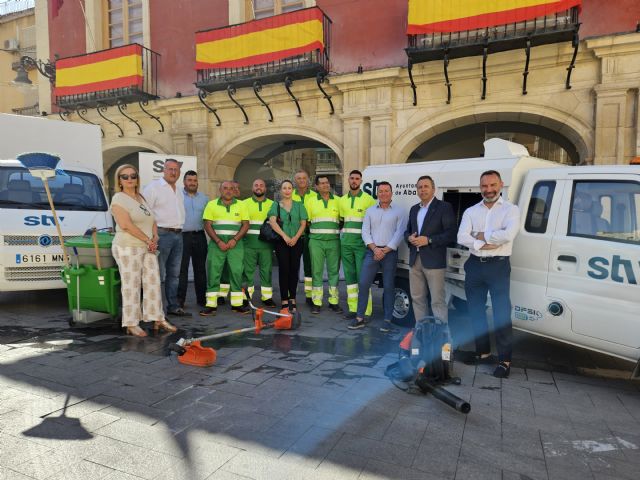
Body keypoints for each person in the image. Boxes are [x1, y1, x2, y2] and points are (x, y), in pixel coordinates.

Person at [457, 170, 520, 378]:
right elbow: (461, 236)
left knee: (502, 313)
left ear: (500, 185)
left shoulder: (511, 210)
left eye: (493, 185)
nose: (489, 189)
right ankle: (482, 353)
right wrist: (481, 242)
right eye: (484, 186)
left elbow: (509, 234)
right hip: (474, 265)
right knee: (475, 311)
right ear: (480, 187)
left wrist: (480, 234)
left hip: (499, 266)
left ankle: (504, 360)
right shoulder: (471, 211)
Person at [110, 164, 177, 337]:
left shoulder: (141, 197)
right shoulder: (119, 198)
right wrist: (148, 240)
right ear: (119, 180)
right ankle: (131, 323)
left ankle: (157, 319)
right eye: (125, 176)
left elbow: (152, 219)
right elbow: (125, 225)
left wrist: (155, 237)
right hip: (128, 247)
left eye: (133, 175)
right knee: (131, 285)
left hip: (148, 247)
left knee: (153, 283)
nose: (130, 179)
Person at [347, 182, 406, 331]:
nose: (384, 193)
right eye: (381, 191)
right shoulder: (370, 211)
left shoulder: (399, 211)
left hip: (390, 253)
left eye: (387, 191)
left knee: (388, 286)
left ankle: (387, 319)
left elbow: (399, 233)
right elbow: (365, 231)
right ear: (377, 193)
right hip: (372, 252)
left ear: (391, 193)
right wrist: (374, 249)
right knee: (363, 283)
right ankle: (360, 318)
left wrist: (384, 250)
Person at [406, 175, 457, 326]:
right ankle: (422, 332)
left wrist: (428, 240)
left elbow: (450, 234)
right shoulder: (414, 209)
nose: (422, 189)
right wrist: (409, 238)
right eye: (420, 187)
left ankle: (441, 337)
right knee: (417, 298)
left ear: (433, 189)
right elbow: (407, 231)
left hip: (434, 262)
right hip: (415, 260)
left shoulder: (444, 207)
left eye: (426, 186)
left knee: (437, 301)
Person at [142, 158, 187, 317]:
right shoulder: (153, 188)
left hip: (178, 235)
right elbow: (145, 213)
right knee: (157, 273)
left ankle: (173, 306)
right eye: (170, 169)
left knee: (174, 274)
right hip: (161, 235)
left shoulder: (180, 189)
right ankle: (154, 308)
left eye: (176, 170)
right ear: (164, 170)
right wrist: (152, 236)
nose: (173, 172)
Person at [200, 181, 250, 316]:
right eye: (225, 188)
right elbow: (207, 224)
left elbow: (246, 224)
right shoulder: (211, 204)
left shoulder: (241, 205)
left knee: (236, 272)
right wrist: (218, 241)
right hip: (217, 245)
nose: (228, 191)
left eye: (231, 189)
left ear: (234, 191)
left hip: (236, 245)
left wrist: (234, 240)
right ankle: (211, 305)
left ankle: (237, 304)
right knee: (213, 272)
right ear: (220, 190)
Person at [339, 170, 376, 319]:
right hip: (346, 244)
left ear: (361, 181)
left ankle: (365, 310)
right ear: (348, 180)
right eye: (352, 178)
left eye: (357, 179)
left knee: (363, 278)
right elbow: (342, 222)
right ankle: (353, 309)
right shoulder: (342, 200)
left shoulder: (369, 200)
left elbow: (373, 224)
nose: (354, 181)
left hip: (362, 245)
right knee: (350, 278)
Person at [268, 179, 308, 312]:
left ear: (292, 190)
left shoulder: (299, 205)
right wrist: (285, 236)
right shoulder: (276, 205)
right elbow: (273, 222)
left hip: (297, 242)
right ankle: (284, 300)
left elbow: (303, 223)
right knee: (284, 270)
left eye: (289, 188)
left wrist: (295, 238)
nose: (287, 190)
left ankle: (293, 299)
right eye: (284, 188)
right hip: (281, 242)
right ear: (281, 191)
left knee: (294, 270)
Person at [305, 175, 342, 314]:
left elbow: (342, 220)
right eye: (322, 183)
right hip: (316, 242)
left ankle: (334, 301)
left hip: (334, 242)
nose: (325, 185)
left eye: (327, 183)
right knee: (317, 271)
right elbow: (306, 222)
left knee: (334, 272)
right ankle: (317, 302)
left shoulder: (339, 201)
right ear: (316, 186)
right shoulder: (310, 201)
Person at [177, 170, 209, 309]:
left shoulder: (204, 198)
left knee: (200, 269)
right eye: (189, 180)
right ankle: (180, 300)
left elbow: (208, 219)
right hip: (182, 236)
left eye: (194, 181)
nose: (192, 183)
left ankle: (202, 299)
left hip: (200, 235)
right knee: (182, 270)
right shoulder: (177, 196)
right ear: (184, 182)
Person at [243, 179, 276, 307]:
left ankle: (267, 297)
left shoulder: (273, 204)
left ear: (265, 189)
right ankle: (246, 297)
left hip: (266, 245)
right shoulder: (244, 203)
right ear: (252, 188)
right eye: (256, 185)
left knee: (266, 271)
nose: (259, 187)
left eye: (261, 185)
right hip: (249, 244)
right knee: (247, 272)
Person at [292, 170, 314, 305]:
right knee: (292, 267)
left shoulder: (315, 196)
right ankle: (291, 295)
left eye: (304, 178)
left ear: (308, 180)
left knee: (309, 266)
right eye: (298, 178)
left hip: (310, 236)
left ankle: (309, 295)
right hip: (293, 236)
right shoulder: (290, 195)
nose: (301, 180)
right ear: (295, 181)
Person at [218, 181, 242, 304]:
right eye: (234, 188)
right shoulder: (218, 204)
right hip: (224, 243)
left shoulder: (242, 204)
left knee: (237, 271)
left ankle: (238, 297)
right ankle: (221, 295)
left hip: (240, 243)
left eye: (236, 188)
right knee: (224, 270)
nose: (235, 190)